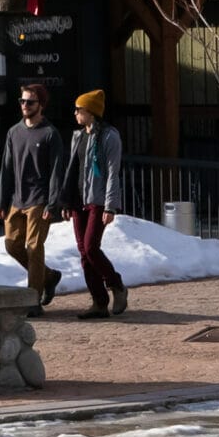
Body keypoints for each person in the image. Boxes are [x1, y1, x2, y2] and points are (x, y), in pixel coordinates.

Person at [57, 88, 129, 319]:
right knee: (83, 253)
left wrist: (110, 206)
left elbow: (112, 173)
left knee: (91, 248)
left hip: (98, 200)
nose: (75, 113)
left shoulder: (109, 136)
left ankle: (116, 284)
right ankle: (99, 302)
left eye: (79, 109)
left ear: (91, 112)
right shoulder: (78, 136)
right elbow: (72, 170)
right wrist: (67, 202)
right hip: (79, 200)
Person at [0, 82, 63, 309]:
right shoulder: (14, 132)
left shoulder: (50, 134)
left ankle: (33, 299)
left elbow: (56, 172)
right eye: (22, 101)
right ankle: (49, 276)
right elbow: (6, 168)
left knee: (34, 248)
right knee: (12, 244)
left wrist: (52, 204)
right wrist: (1, 200)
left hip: (39, 199)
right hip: (16, 198)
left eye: (30, 102)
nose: (24, 105)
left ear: (41, 105)